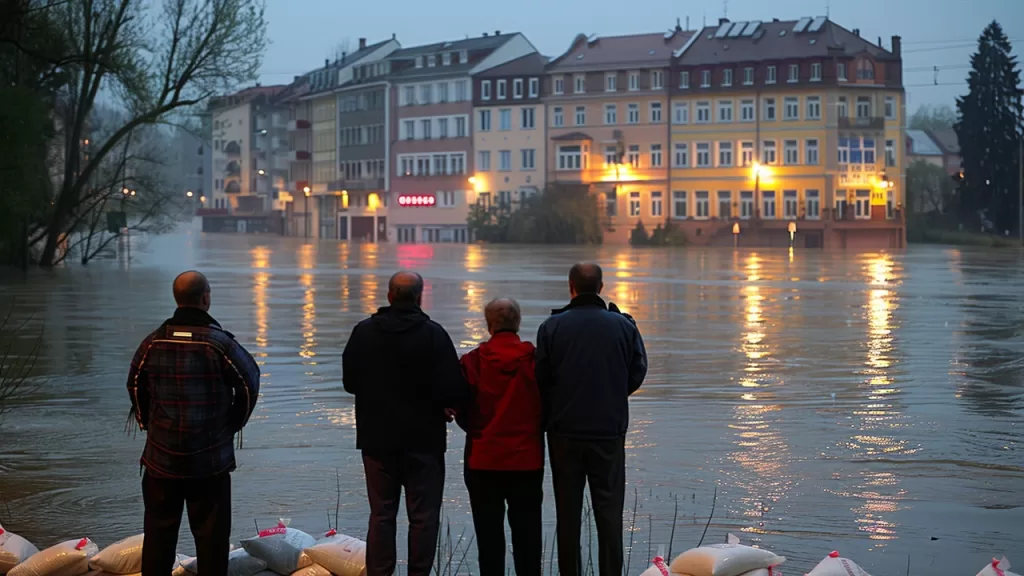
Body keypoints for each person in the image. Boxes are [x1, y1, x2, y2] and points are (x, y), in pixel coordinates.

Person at [126, 270, 260, 576]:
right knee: (212, 541)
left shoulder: (153, 342)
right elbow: (250, 383)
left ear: (177, 299)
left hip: (161, 460)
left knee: (159, 537)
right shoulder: (219, 345)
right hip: (210, 461)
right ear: (205, 299)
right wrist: (234, 423)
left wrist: (149, 424)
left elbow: (134, 385)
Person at [342, 271, 467, 576]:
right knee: (423, 517)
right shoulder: (435, 335)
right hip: (425, 440)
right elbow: (455, 389)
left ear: (389, 296)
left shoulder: (364, 332)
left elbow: (349, 382)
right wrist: (443, 404)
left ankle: (380, 572)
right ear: (419, 297)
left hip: (377, 440)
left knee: (382, 514)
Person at [535, 263, 647, 576]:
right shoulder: (623, 326)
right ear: (600, 287)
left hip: (564, 434)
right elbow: (638, 370)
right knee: (609, 515)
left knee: (567, 515)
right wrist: (613, 393)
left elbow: (540, 377)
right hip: (608, 431)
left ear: (571, 286)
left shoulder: (552, 327)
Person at [456, 299, 543, 576]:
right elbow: (549, 403)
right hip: (526, 460)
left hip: (482, 459)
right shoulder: (536, 360)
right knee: (528, 537)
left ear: (488, 324)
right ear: (518, 323)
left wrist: (476, 430)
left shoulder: (471, 362)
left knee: (489, 538)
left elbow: (461, 408)